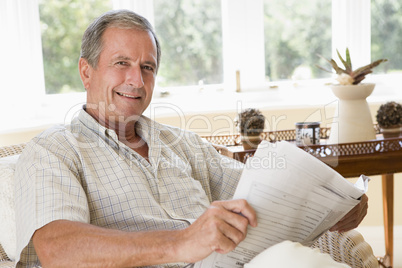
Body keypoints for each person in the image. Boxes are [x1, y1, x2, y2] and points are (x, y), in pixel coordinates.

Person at [14, 9, 368, 268]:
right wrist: (182, 243)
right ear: (86, 71)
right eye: (121, 63)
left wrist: (334, 205)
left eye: (147, 67)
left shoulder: (183, 143)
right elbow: (58, 249)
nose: (136, 80)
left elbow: (262, 191)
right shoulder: (54, 150)